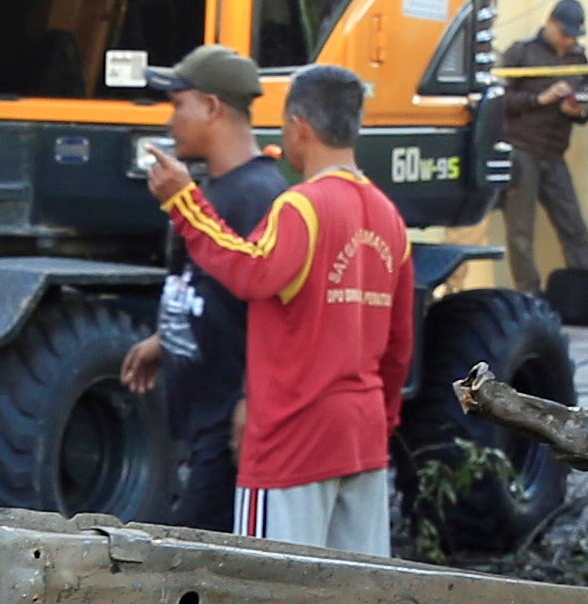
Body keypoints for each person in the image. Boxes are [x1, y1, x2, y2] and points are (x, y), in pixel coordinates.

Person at [148, 61, 417, 556]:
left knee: (273, 602)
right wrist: (383, 421)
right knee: (357, 600)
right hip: (362, 441)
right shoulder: (389, 218)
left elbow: (252, 273)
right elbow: (399, 345)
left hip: (292, 443)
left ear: (299, 128)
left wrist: (184, 204)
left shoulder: (302, 207)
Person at [118, 43, 287, 532]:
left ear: (212, 107)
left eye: (179, 105)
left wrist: (252, 401)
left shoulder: (258, 194)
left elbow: (270, 303)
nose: (171, 121)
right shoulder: (204, 191)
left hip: (227, 424)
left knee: (196, 566)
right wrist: (164, 339)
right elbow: (210, 283)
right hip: (196, 422)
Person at [493, 0, 588, 296]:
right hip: (521, 152)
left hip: (554, 154)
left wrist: (578, 110)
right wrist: (540, 100)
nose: (569, 42)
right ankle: (529, 294)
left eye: (574, 36)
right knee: (521, 231)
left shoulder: (579, 60)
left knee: (573, 227)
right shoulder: (521, 52)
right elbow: (496, 103)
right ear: (550, 23)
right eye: (565, 34)